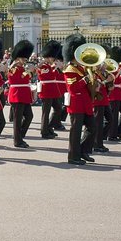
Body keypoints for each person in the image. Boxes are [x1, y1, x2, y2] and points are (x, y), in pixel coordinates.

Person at [62, 34, 96, 165]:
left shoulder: (82, 68)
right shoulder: (70, 69)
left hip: (86, 103)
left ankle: (83, 151)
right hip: (76, 103)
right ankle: (73, 156)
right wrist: (86, 79)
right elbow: (73, 87)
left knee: (92, 128)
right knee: (75, 131)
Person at [8, 39, 35, 149]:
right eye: (24, 58)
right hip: (17, 95)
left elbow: (26, 78)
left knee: (29, 116)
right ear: (18, 57)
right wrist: (29, 72)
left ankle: (19, 135)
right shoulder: (13, 68)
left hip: (24, 94)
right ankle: (17, 140)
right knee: (17, 119)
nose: (25, 60)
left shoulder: (22, 67)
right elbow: (14, 80)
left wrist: (30, 72)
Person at [37, 40, 63, 139]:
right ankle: (44, 131)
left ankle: (49, 127)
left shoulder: (50, 65)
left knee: (58, 109)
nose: (53, 59)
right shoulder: (43, 66)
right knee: (46, 112)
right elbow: (44, 76)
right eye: (52, 57)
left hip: (53, 90)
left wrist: (58, 68)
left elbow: (58, 75)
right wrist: (54, 68)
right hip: (46, 90)